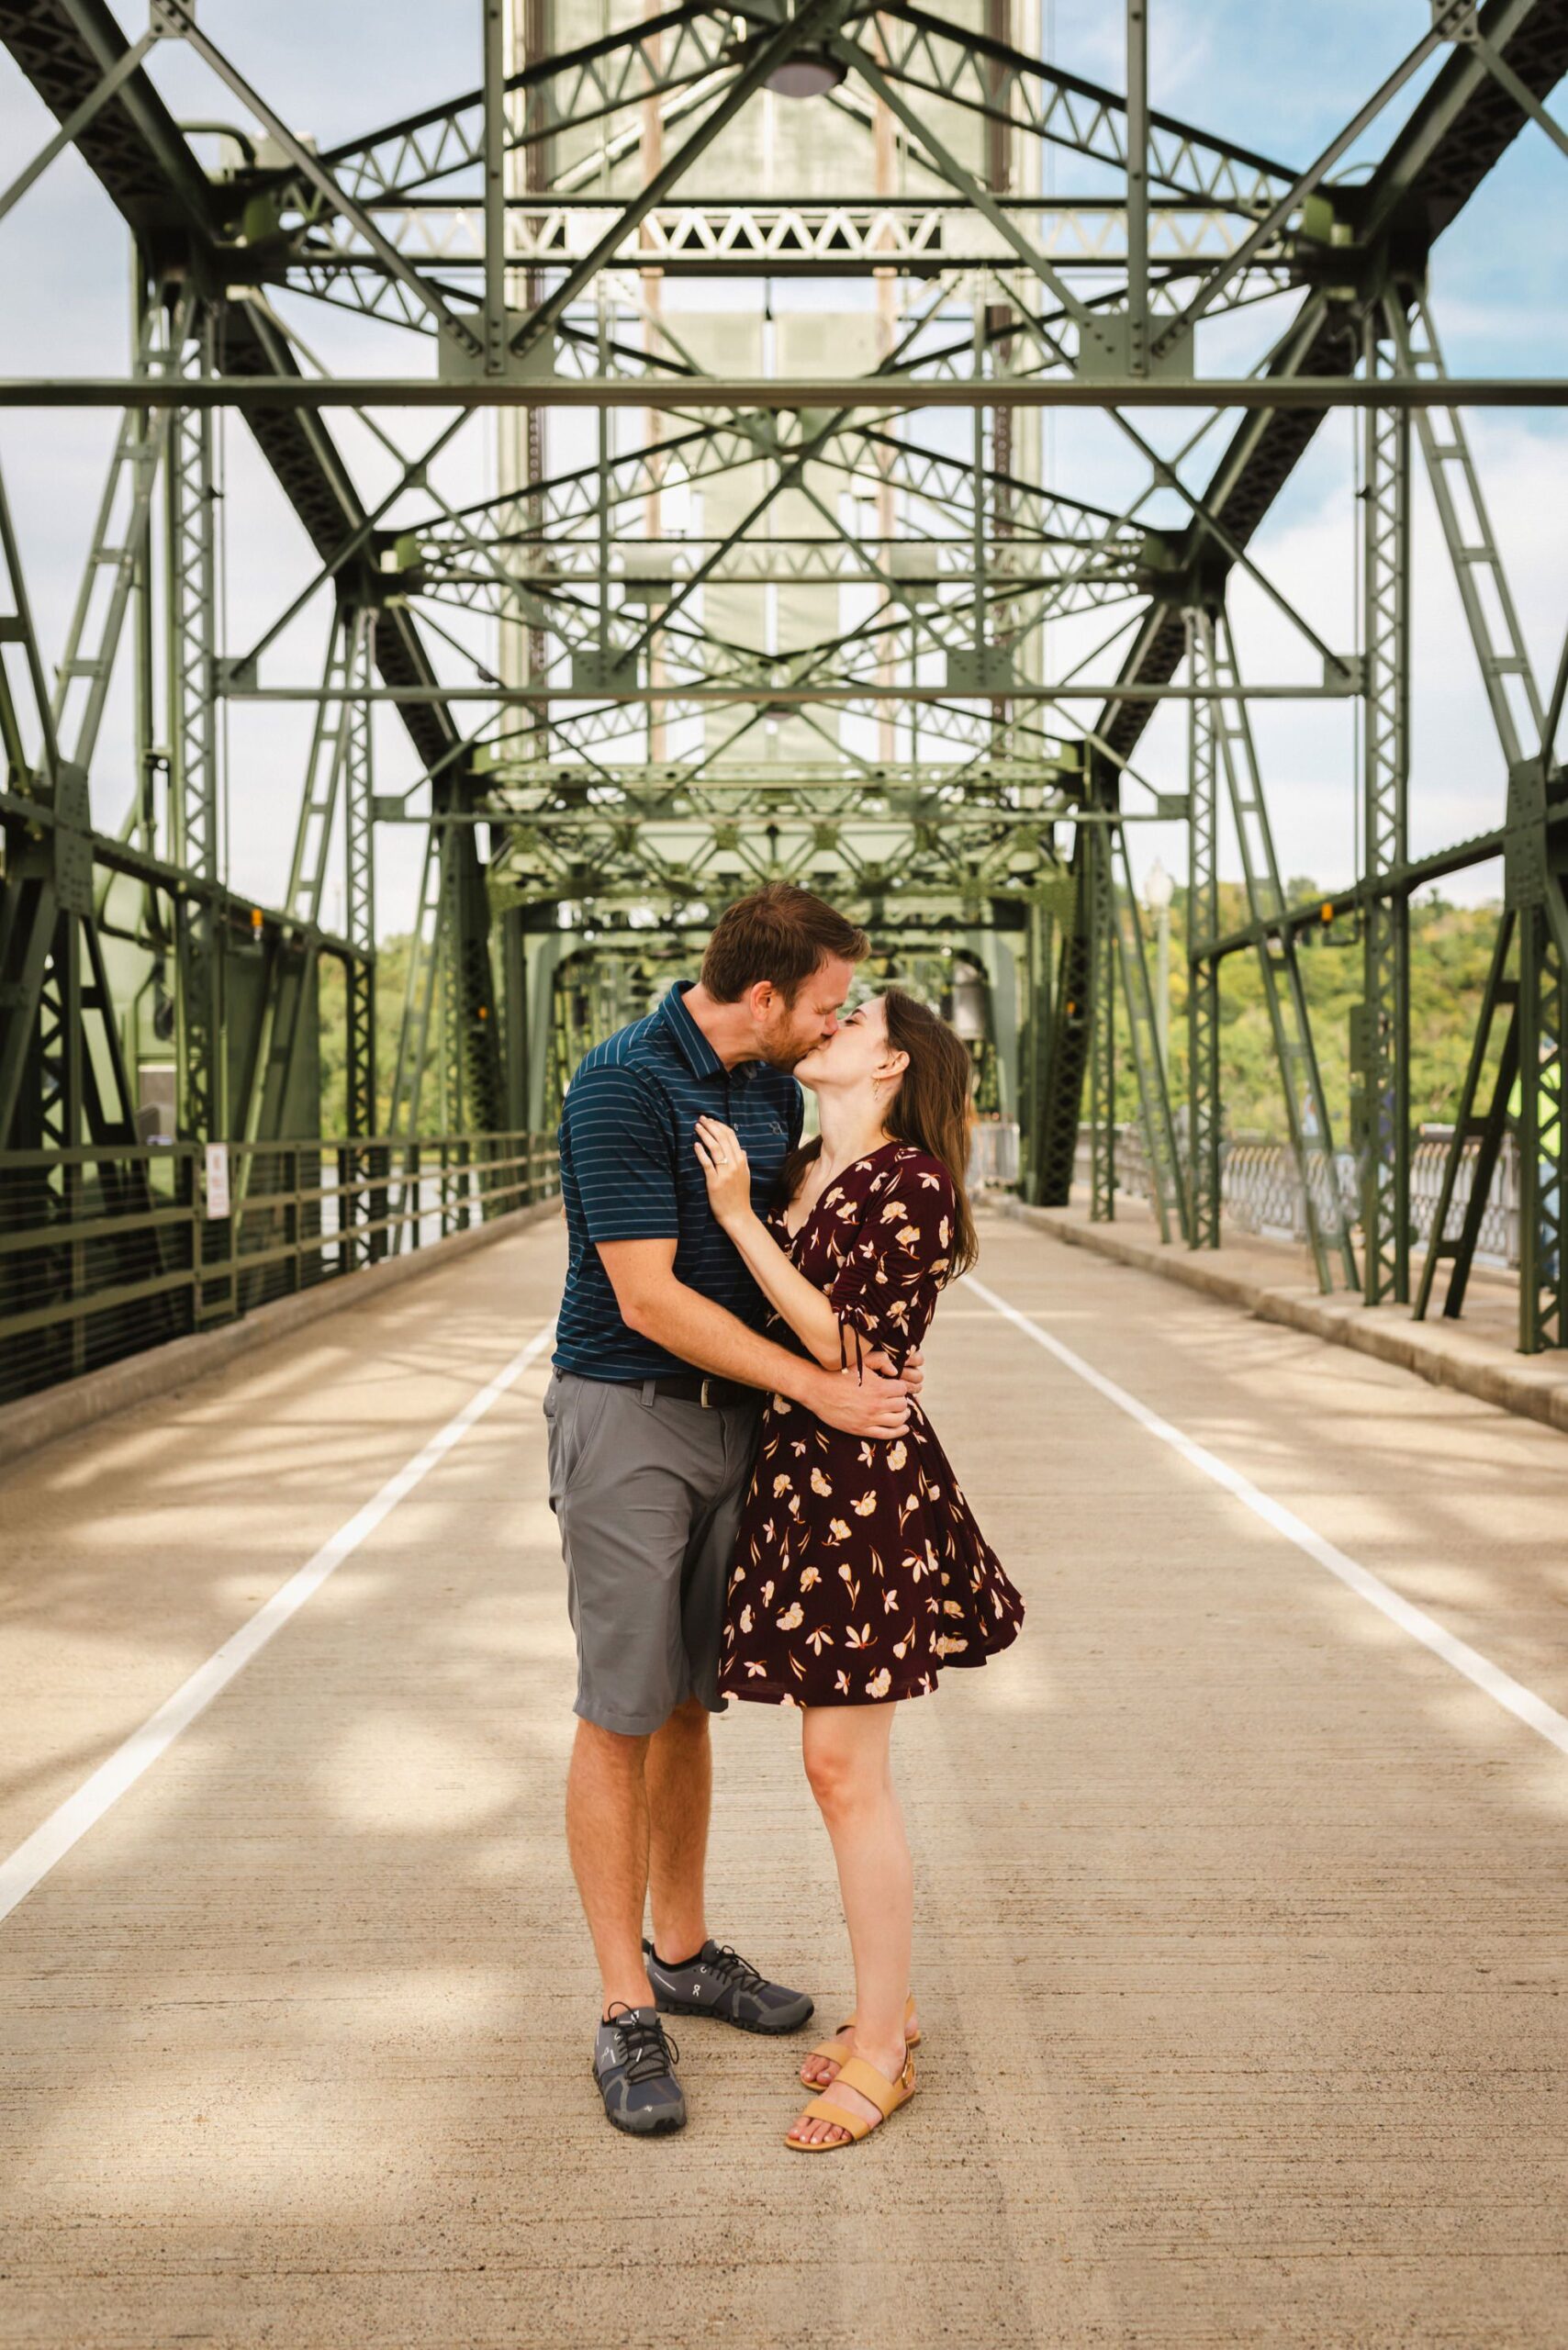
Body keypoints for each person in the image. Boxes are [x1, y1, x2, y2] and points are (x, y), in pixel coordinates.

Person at [544, 886, 927, 2138]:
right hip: (634, 1411)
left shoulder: (770, 1085)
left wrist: (860, 1351)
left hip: (745, 1427)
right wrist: (821, 1381)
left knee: (689, 1701)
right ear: (764, 997)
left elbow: (818, 1243)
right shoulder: (621, 1085)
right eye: (822, 1006)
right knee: (618, 1708)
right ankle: (621, 2010)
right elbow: (648, 1299)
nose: (831, 1028)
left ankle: (684, 1950)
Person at [694, 987, 1025, 2152]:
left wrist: (736, 1219)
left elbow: (845, 1341)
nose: (826, 1027)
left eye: (851, 1020)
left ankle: (883, 2045)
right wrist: (753, 1203)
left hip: (862, 1488)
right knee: (834, 1767)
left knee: (844, 1768)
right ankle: (888, 2008)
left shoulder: (912, 1184)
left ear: (890, 1065)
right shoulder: (798, 1169)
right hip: (798, 1471)